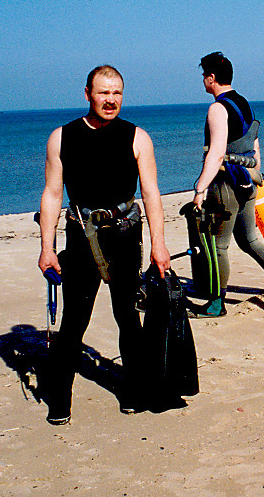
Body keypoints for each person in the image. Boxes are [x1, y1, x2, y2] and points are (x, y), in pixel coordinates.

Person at [37, 65, 171, 425]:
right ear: (88, 94)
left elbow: (151, 194)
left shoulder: (137, 137)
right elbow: (52, 194)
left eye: (117, 93)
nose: (110, 100)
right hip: (81, 236)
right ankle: (59, 400)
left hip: (125, 233)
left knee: (127, 316)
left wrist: (159, 245)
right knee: (73, 321)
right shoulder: (62, 137)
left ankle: (134, 391)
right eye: (103, 92)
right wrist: (47, 247)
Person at [193, 51, 264, 319]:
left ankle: (216, 304)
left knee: (219, 246)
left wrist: (200, 188)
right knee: (249, 240)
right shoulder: (245, 104)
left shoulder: (218, 108)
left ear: (212, 77)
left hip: (226, 184)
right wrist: (256, 174)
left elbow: (216, 153)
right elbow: (254, 144)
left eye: (204, 75)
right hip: (249, 180)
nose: (203, 80)